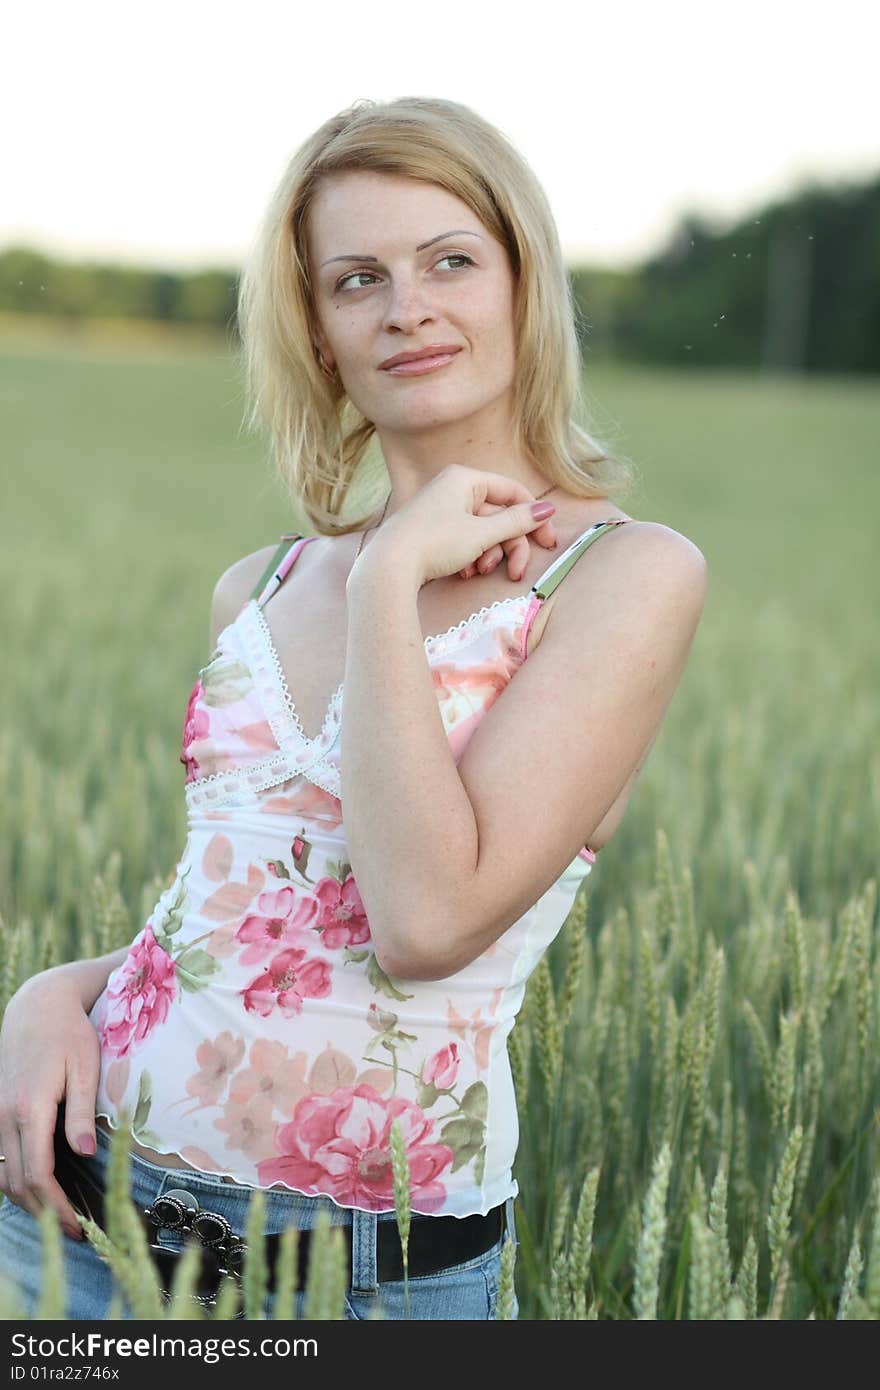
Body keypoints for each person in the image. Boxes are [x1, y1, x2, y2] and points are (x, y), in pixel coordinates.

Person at [0, 95, 707, 1321]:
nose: (408, 307)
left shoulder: (622, 577)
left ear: (522, 284)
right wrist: (50, 993)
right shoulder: (260, 584)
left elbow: (424, 923)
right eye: (356, 279)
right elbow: (239, 922)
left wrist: (389, 578)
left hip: (357, 1275)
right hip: (71, 1217)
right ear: (319, 332)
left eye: (449, 261)